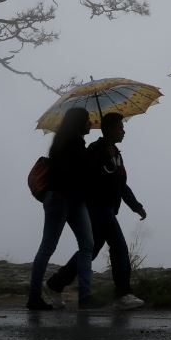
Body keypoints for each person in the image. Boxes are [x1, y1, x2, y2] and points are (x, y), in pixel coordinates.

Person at [44, 111, 148, 311]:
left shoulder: (116, 154)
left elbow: (122, 185)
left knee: (91, 251)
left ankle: (55, 284)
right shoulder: (94, 150)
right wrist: (105, 164)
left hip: (109, 208)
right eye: (120, 127)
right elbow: (87, 179)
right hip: (97, 208)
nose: (123, 131)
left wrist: (136, 206)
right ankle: (123, 293)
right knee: (118, 245)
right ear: (108, 129)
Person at [27, 106, 96, 310]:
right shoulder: (71, 144)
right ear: (79, 123)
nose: (91, 123)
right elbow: (72, 175)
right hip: (61, 199)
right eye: (87, 120)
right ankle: (34, 297)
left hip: (73, 200)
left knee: (87, 244)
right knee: (50, 246)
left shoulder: (70, 143)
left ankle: (85, 296)